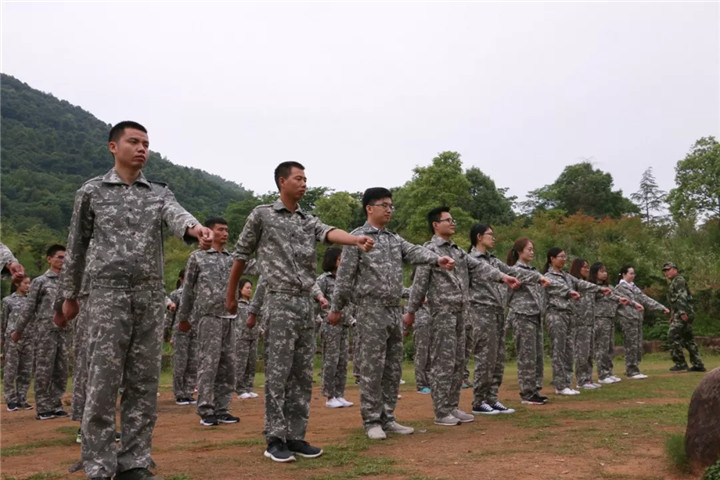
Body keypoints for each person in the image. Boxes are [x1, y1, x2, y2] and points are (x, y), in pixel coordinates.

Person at [54, 121, 213, 480]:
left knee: (143, 383)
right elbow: (76, 246)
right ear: (113, 147)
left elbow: (177, 215)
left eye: (146, 143)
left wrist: (196, 229)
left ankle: (135, 461)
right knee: (102, 381)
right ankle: (98, 464)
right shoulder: (92, 191)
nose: (142, 149)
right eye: (134, 142)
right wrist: (69, 295)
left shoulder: (158, 192)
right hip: (106, 295)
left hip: (148, 296)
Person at [225, 161, 374, 463]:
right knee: (278, 373)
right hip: (279, 300)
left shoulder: (308, 220)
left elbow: (328, 232)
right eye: (298, 178)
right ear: (282, 181)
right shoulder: (262, 215)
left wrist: (355, 239)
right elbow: (240, 256)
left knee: (302, 375)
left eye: (306, 179)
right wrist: (230, 294)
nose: (304, 183)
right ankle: (275, 438)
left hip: (306, 304)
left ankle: (295, 436)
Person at [328, 188, 455, 440]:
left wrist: (436, 259)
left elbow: (414, 251)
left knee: (392, 367)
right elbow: (344, 279)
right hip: (370, 309)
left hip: (394, 309)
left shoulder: (393, 239)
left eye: (391, 205)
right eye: (384, 205)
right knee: (372, 367)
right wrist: (336, 308)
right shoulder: (357, 238)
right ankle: (371, 421)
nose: (389, 210)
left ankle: (388, 417)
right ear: (369, 208)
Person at [405, 208, 519, 426]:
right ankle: (441, 412)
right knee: (443, 362)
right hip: (443, 314)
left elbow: (479, 266)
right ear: (435, 225)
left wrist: (503, 276)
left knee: (459, 362)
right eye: (447, 220)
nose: (453, 223)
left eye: (453, 219)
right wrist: (410, 311)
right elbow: (419, 285)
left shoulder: (457, 252)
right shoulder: (429, 251)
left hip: (463, 314)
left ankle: (452, 406)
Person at [466, 224, 549, 415]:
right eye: (490, 234)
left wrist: (537, 277)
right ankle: (479, 401)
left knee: (497, 359)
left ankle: (492, 398)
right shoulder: (471, 260)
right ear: (479, 237)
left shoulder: (493, 260)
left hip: (497, 312)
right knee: (485, 357)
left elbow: (513, 272)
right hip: (480, 312)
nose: (493, 238)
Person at [178, 217, 240, 427]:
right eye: (220, 229)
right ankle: (206, 409)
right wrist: (183, 317)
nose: (225, 233)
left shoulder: (232, 259)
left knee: (228, 366)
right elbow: (188, 290)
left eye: (227, 230)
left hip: (230, 318)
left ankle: (222, 408)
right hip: (209, 317)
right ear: (209, 232)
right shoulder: (198, 257)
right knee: (208, 364)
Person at [505, 238, 569, 405]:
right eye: (529, 249)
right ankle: (527, 393)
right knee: (526, 356)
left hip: (535, 315)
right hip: (522, 315)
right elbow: (512, 291)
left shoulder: (532, 270)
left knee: (537, 356)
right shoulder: (515, 270)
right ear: (520, 252)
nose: (532, 252)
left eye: (533, 249)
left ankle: (534, 390)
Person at [12, 244, 69, 419]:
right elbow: (29, 308)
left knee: (61, 370)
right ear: (49, 259)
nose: (62, 260)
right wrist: (18, 330)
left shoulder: (69, 281)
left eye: (65, 257)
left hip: (65, 331)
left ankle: (56, 404)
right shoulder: (40, 282)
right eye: (59, 257)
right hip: (45, 332)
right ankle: (43, 407)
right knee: (44, 369)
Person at [543, 248, 609, 396]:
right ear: (552, 259)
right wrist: (569, 292)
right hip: (556, 315)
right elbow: (557, 287)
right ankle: (560, 385)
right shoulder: (548, 276)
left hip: (568, 315)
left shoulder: (566, 276)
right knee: (559, 350)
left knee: (568, 351)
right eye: (560, 257)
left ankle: (566, 383)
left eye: (565, 257)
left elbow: (581, 283)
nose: (564, 259)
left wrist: (599, 288)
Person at [614, 264, 669, 379]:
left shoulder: (634, 287)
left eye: (634, 273)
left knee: (637, 344)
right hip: (628, 319)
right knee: (631, 344)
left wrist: (660, 307)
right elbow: (626, 302)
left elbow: (645, 299)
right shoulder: (620, 288)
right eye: (630, 273)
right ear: (624, 274)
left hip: (637, 319)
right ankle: (631, 370)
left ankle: (635, 369)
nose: (633, 276)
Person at [589, 262, 638, 384]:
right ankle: (602, 374)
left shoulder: (609, 287)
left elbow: (618, 296)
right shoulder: (592, 287)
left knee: (610, 347)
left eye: (605, 271)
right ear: (595, 273)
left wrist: (632, 303)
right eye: (601, 271)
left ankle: (609, 372)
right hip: (600, 318)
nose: (605, 273)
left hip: (610, 318)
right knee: (602, 347)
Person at [317, 247, 354, 409]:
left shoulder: (346, 280)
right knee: (331, 361)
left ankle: (339, 394)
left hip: (344, 324)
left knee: (342, 361)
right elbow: (316, 299)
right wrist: (322, 316)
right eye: (340, 259)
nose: (342, 261)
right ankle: (329, 396)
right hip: (330, 325)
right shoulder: (324, 279)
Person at [663, 262, 705, 372]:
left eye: (668, 270)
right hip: (683, 312)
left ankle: (680, 363)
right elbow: (675, 301)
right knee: (688, 339)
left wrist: (681, 312)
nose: (666, 272)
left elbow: (682, 296)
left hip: (684, 312)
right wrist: (673, 315)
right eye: (665, 271)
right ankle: (698, 364)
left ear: (675, 270)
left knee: (672, 335)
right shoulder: (674, 281)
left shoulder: (679, 280)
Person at [165, 269, 198, 406]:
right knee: (180, 363)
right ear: (181, 279)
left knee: (193, 363)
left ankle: (189, 392)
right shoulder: (176, 295)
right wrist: (166, 333)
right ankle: (179, 394)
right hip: (180, 331)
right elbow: (170, 315)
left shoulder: (198, 294)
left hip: (195, 331)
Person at [3, 275, 32, 411]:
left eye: (29, 283)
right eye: (25, 283)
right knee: (11, 370)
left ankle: (22, 399)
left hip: (29, 338)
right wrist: (2, 339)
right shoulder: (8, 301)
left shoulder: (32, 300)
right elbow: (3, 321)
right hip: (13, 339)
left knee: (26, 371)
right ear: (17, 284)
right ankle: (11, 400)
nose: (28, 286)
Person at [235, 278, 261, 399]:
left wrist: (260, 329)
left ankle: (249, 388)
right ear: (240, 289)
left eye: (251, 288)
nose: (250, 290)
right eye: (247, 288)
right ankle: (240, 389)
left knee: (251, 364)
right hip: (241, 337)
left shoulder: (253, 305)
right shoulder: (237, 304)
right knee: (241, 364)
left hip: (253, 337)